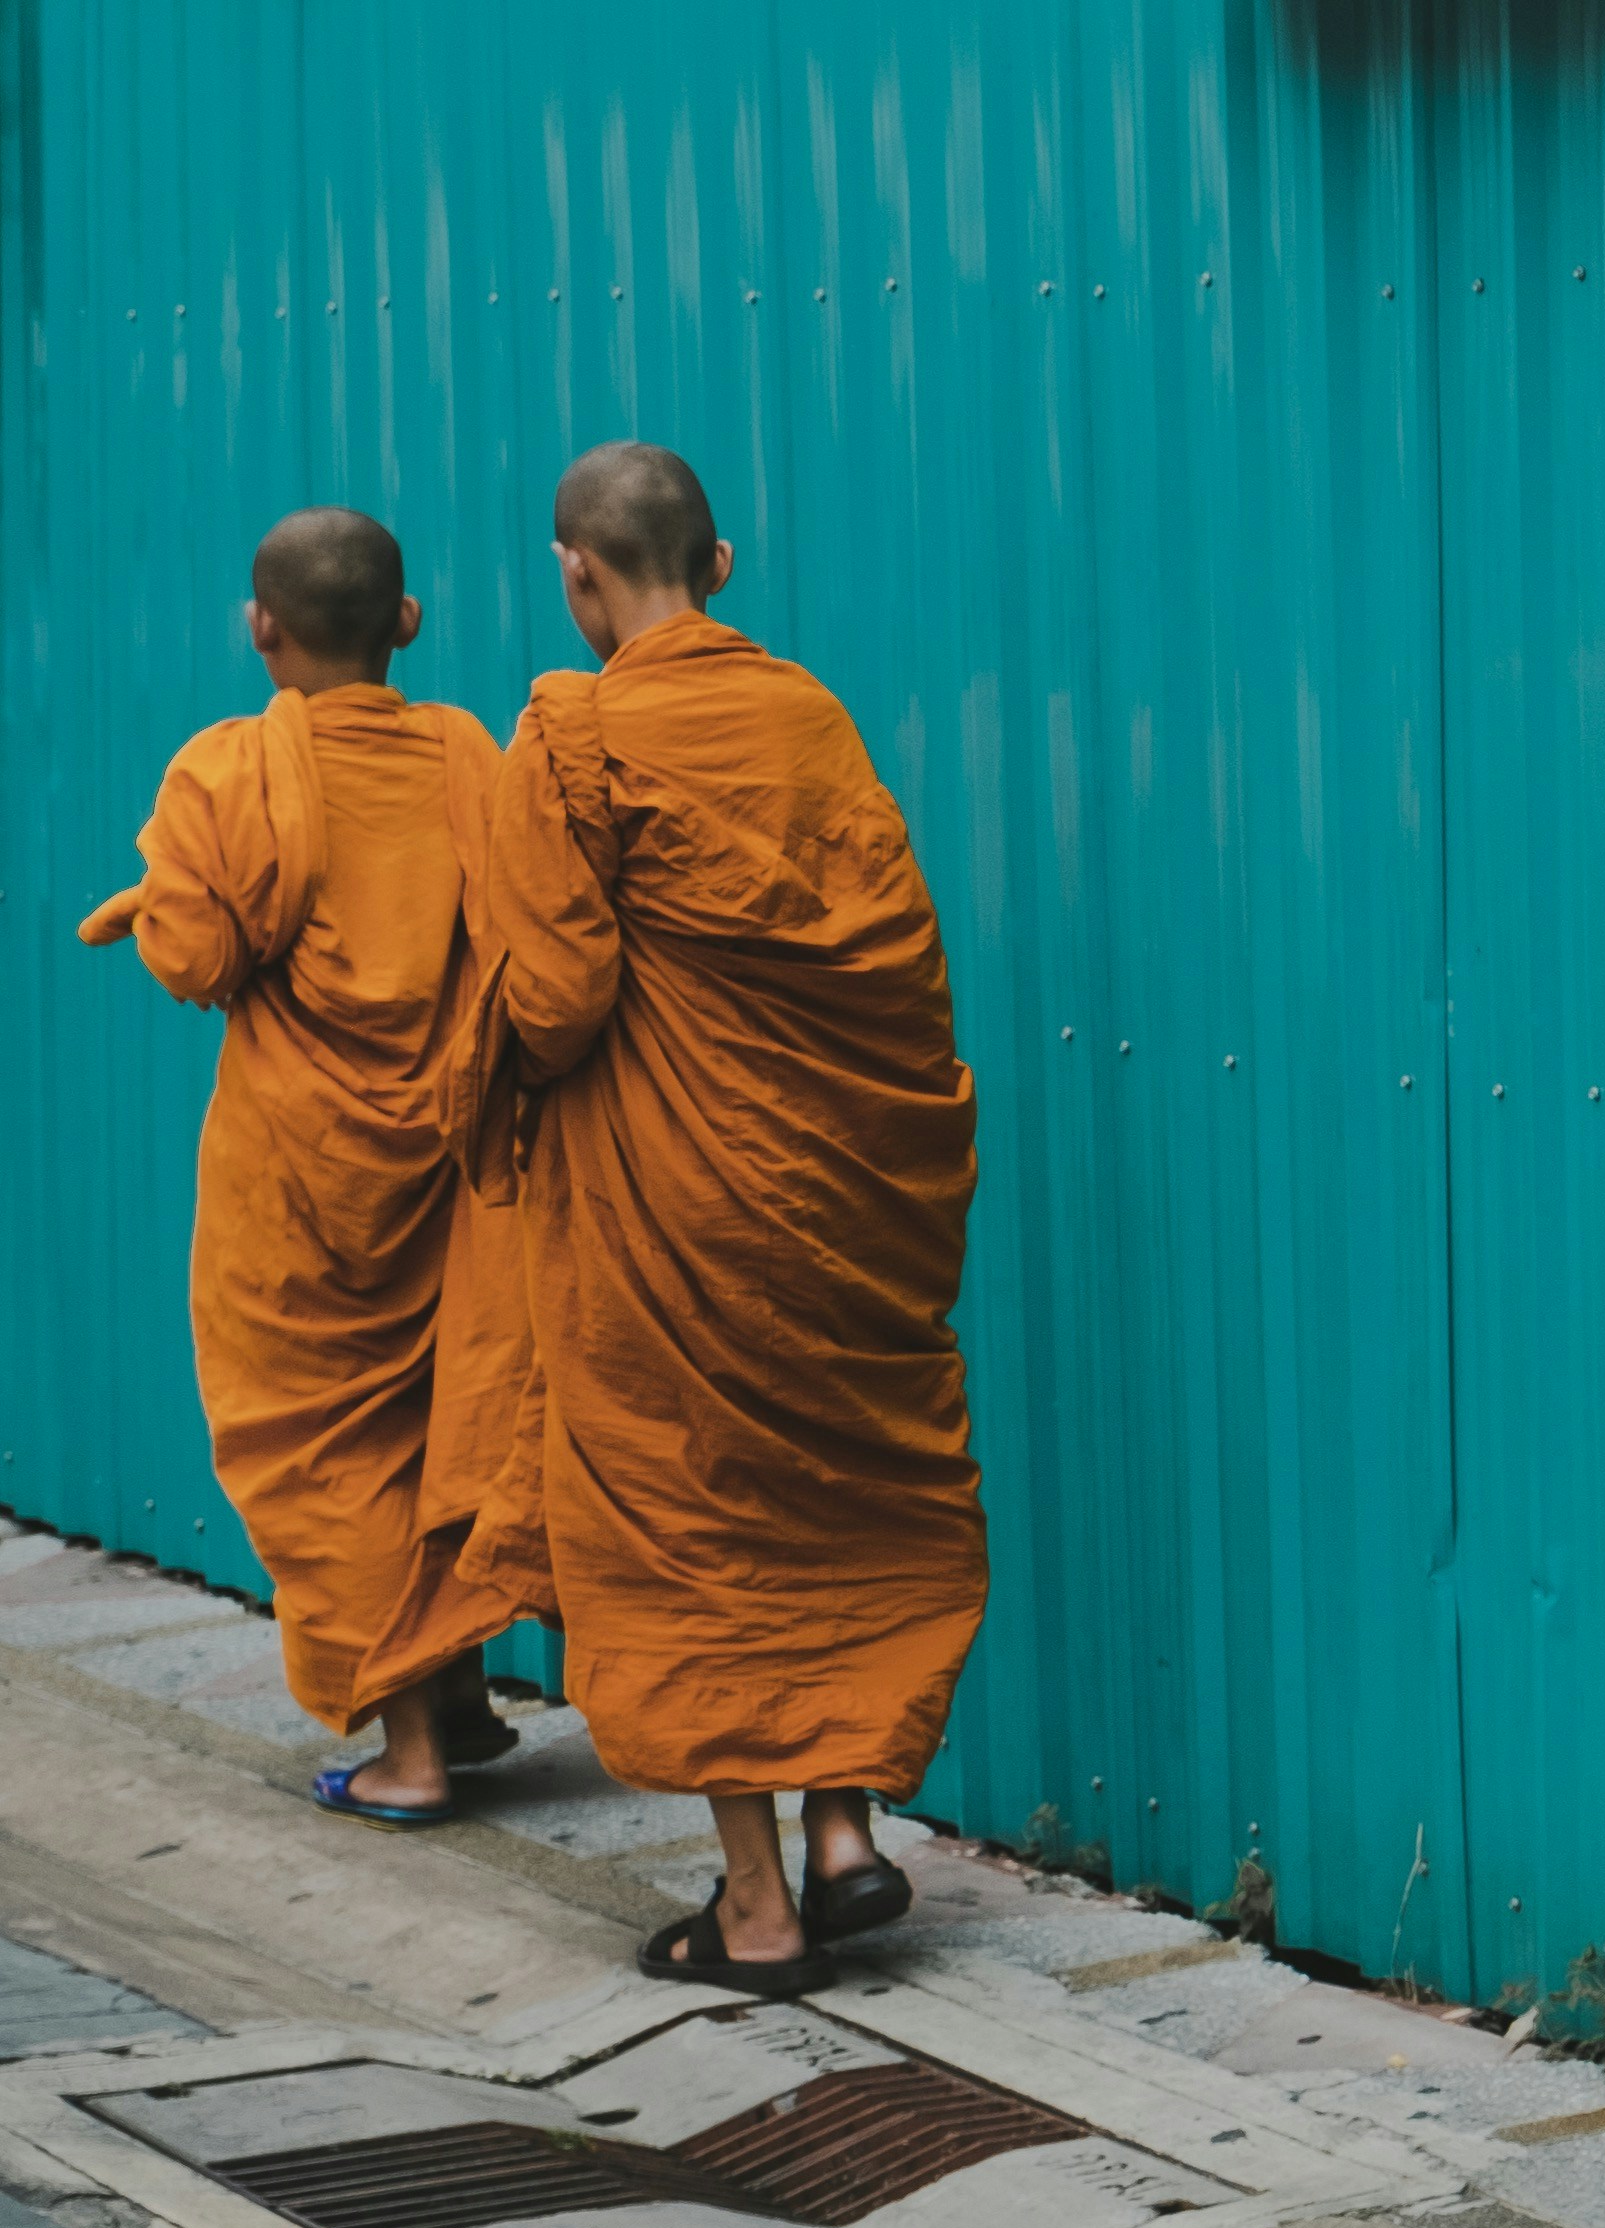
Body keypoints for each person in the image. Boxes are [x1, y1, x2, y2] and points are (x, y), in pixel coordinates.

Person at [467, 441, 985, 1996]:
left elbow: (555, 999)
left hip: (672, 1203)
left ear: (576, 574)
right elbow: (891, 960)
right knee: (829, 1490)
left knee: (694, 1512)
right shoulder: (811, 717)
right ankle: (845, 1835)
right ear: (725, 562)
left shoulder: (572, 735)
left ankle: (754, 1905)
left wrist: (478, 1055)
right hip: (837, 1187)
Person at [80, 509, 544, 1821]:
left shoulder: (224, 772)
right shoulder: (465, 751)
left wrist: (159, 889)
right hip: (446, 1159)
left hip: (299, 1176)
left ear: (261, 628)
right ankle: (456, 1693)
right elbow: (520, 921)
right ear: (405, 623)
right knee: (428, 1416)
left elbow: (196, 961)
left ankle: (408, 1749)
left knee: (324, 1442)